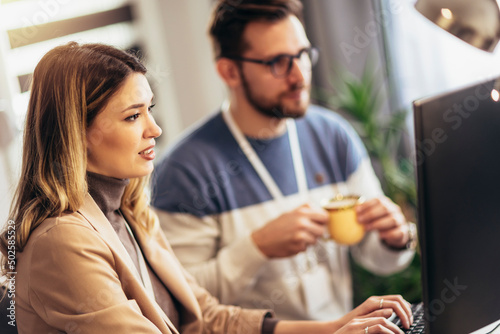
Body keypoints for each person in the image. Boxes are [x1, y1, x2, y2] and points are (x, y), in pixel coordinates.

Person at [0, 42, 412, 334]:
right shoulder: (61, 242)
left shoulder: (127, 209)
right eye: (132, 117)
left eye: (150, 111)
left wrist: (331, 327)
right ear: (78, 133)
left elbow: (207, 318)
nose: (155, 129)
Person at [151, 0, 417, 324]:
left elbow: (376, 257)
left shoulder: (333, 136)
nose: (299, 76)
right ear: (229, 71)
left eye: (303, 54)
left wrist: (394, 238)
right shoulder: (184, 172)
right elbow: (184, 301)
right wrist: (257, 248)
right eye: (278, 62)